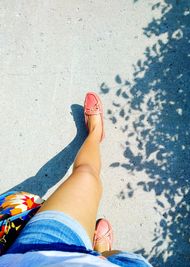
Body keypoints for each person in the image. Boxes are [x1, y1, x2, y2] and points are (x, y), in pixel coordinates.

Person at [0, 92, 152, 266]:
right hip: (68, 256)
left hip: (37, 254)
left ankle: (95, 134)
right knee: (86, 175)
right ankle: (101, 251)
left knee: (84, 175)